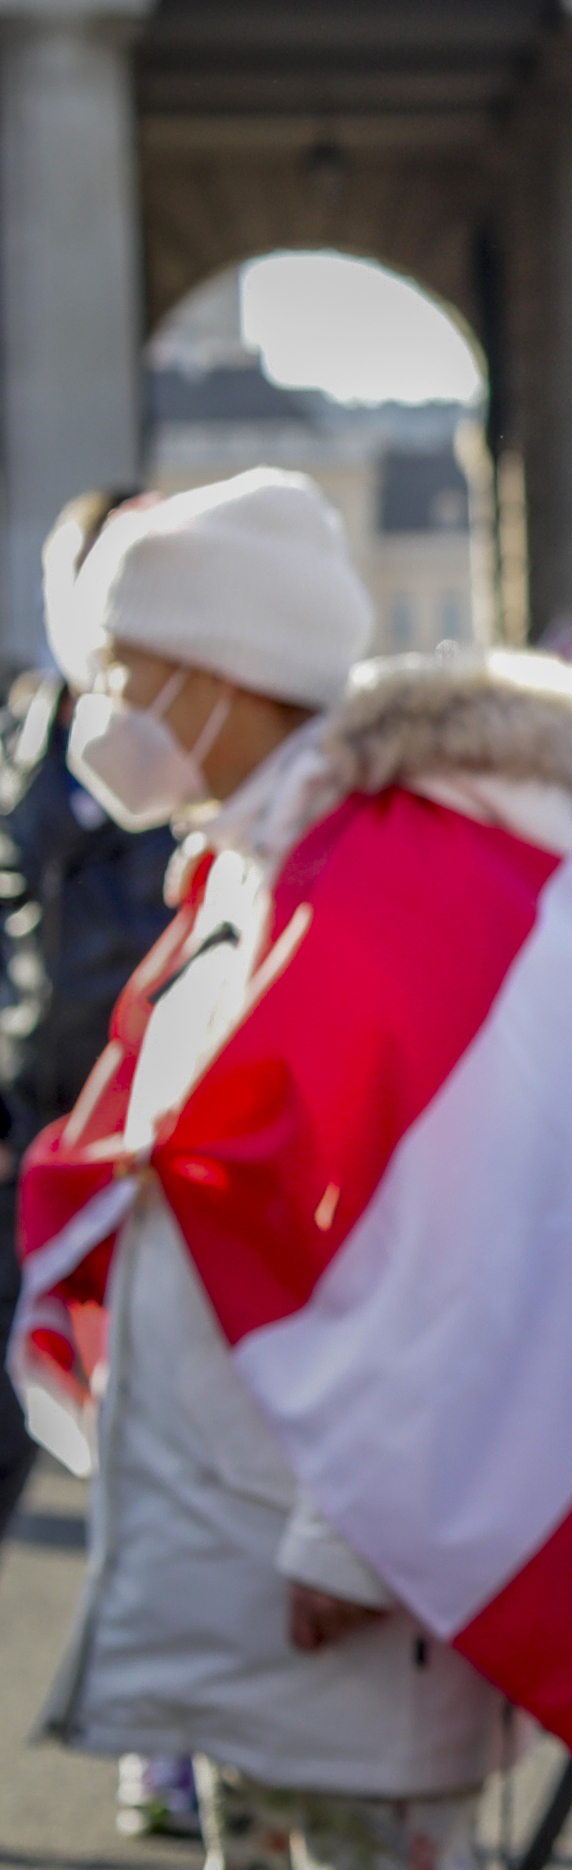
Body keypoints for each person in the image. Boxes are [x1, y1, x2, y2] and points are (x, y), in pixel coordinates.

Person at [28, 470, 572, 1870]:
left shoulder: (383, 885)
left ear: (220, 672)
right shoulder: (252, 861)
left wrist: (357, 1528)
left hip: (339, 1540)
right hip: (244, 1513)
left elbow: (459, 1236)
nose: (100, 708)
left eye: (125, 671)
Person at [0, 493, 178, 1581]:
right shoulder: (26, 751)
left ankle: (159, 1732)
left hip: (153, 1128)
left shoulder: (196, 742)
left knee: (153, 1421)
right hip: (32, 1121)